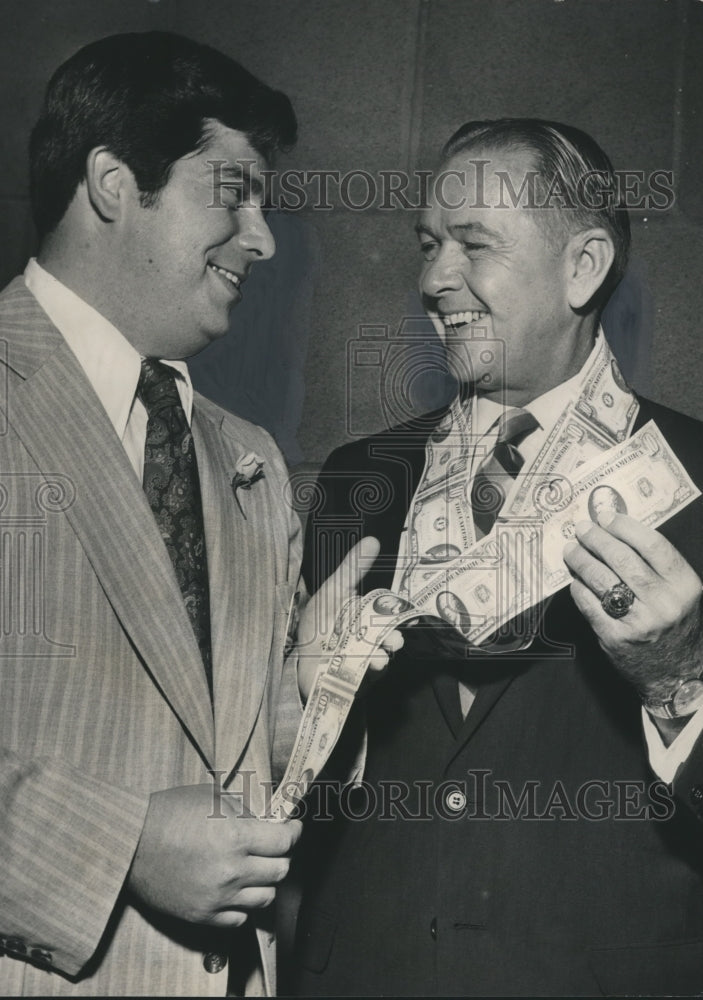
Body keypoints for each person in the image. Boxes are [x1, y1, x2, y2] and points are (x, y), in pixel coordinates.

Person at [0, 31, 396, 997]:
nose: (262, 239)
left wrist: (306, 698)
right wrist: (125, 846)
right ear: (113, 183)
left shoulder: (247, 457)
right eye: (234, 193)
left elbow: (224, 755)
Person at [291, 119, 703, 996]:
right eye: (428, 244)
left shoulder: (695, 481)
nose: (433, 278)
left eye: (473, 244)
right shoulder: (357, 480)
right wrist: (308, 709)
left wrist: (677, 684)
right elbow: (297, 801)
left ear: (582, 267)